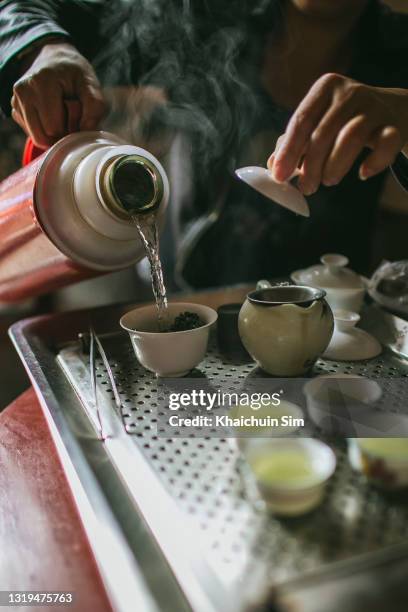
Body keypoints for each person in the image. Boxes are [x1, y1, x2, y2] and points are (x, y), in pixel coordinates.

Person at [0, 0, 408, 290]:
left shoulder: (397, 50)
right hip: (180, 296)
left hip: (324, 318)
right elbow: (21, 8)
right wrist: (43, 49)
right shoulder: (205, 15)